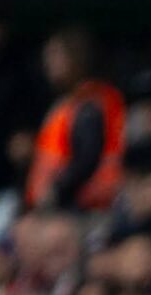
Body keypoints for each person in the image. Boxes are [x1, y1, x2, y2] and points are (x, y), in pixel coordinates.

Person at [25, 28, 125, 214]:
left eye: (55, 54)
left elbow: (87, 157)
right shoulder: (68, 103)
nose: (48, 63)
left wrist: (56, 190)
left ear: (75, 57)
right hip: (57, 206)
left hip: (86, 208)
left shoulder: (91, 103)